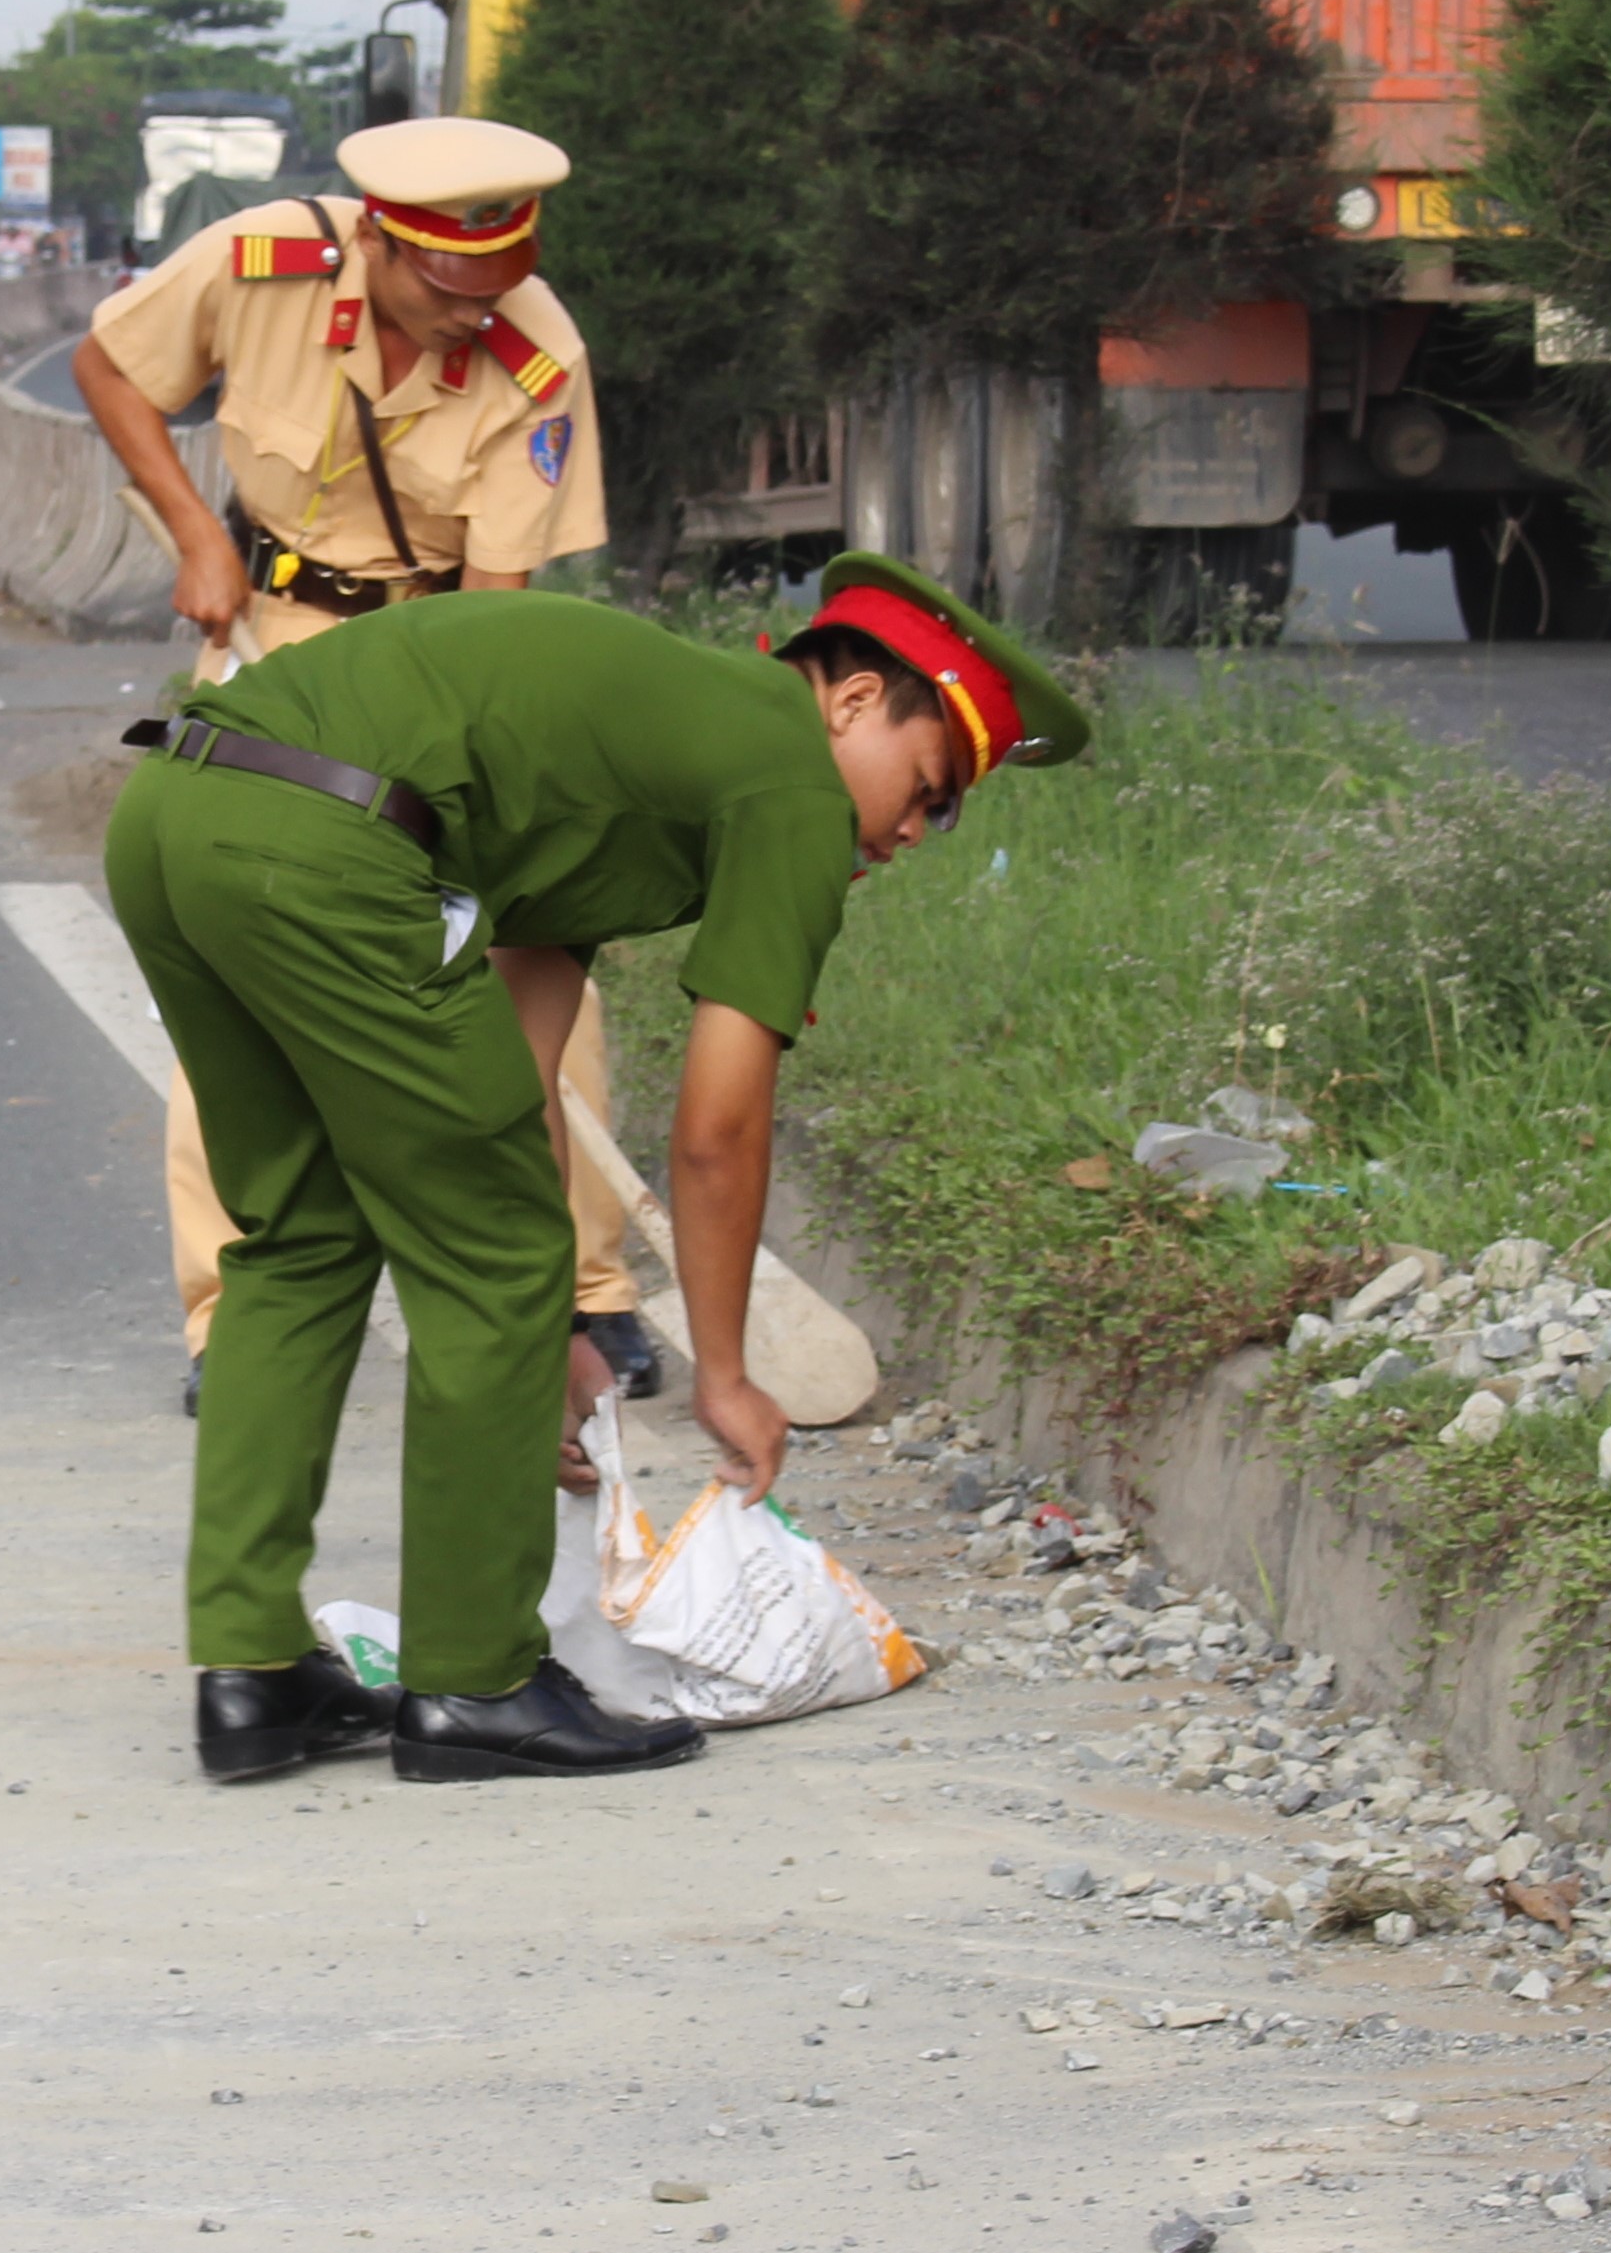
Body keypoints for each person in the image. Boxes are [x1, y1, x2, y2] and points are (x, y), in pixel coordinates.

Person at [103, 552, 1088, 1782]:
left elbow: (516, 1053)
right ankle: (475, 1683)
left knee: (304, 1233)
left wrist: (548, 1336)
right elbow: (718, 1126)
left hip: (178, 818)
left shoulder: (656, 737)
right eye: (925, 784)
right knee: (500, 1247)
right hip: (323, 847)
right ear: (845, 701)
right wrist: (724, 1371)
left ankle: (249, 1673)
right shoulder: (786, 777)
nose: (908, 833)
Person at [77, 115, 664, 1418]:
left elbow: (497, 611)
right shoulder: (257, 263)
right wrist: (194, 532)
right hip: (273, 638)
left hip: (443, 646)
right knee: (234, 948)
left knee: (529, 947)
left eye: (496, 291)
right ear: (384, 247)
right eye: (451, 295)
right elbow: (111, 365)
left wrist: (463, 789)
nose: (474, 319)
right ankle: (232, 1311)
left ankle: (587, 1289)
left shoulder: (535, 353)